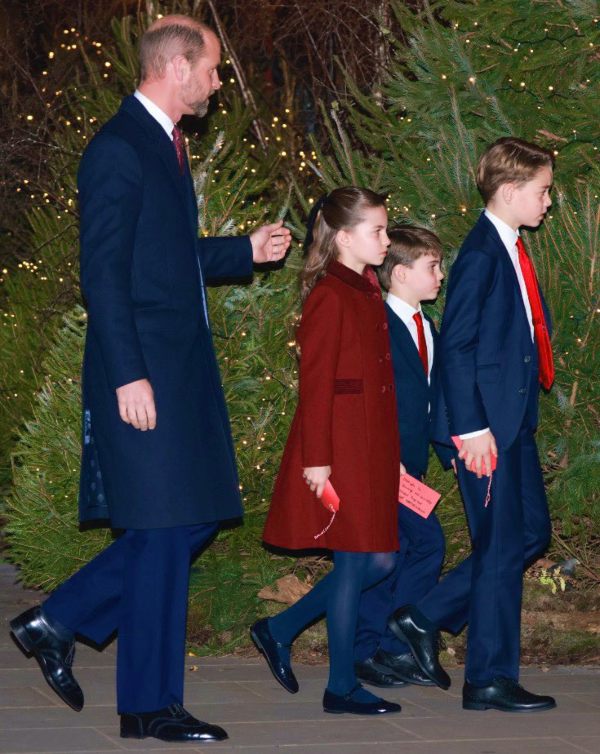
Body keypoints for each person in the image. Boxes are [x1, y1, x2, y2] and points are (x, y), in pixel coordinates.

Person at [9, 14, 290, 744]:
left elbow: (161, 257)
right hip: (140, 370)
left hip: (176, 369)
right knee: (166, 530)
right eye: (213, 69)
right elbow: (102, 276)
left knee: (195, 515)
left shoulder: (162, 145)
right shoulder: (118, 150)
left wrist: (241, 251)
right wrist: (127, 375)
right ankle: (147, 705)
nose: (218, 81)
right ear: (176, 68)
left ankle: (59, 621)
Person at [388, 137, 557, 712]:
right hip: (484, 429)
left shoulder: (507, 246)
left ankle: (422, 616)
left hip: (511, 422)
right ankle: (487, 678)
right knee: (501, 546)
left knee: (528, 534)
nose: (549, 202)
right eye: (542, 191)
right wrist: (472, 428)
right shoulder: (484, 254)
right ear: (511, 192)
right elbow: (456, 346)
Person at [252, 187, 402, 715]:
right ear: (343, 236)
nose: (386, 240)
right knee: (360, 558)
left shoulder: (363, 287)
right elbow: (315, 385)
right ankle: (340, 687)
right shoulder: (330, 294)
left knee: (379, 559)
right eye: (377, 231)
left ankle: (280, 628)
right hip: (339, 449)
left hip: (370, 446)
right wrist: (317, 461)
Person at [353, 226, 454, 689]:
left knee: (399, 552)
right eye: (431, 266)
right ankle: (380, 647)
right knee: (419, 545)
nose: (440, 275)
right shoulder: (378, 324)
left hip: (410, 466)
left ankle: (381, 650)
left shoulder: (428, 327)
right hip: (383, 465)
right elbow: (373, 400)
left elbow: (430, 401)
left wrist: (448, 450)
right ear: (398, 273)